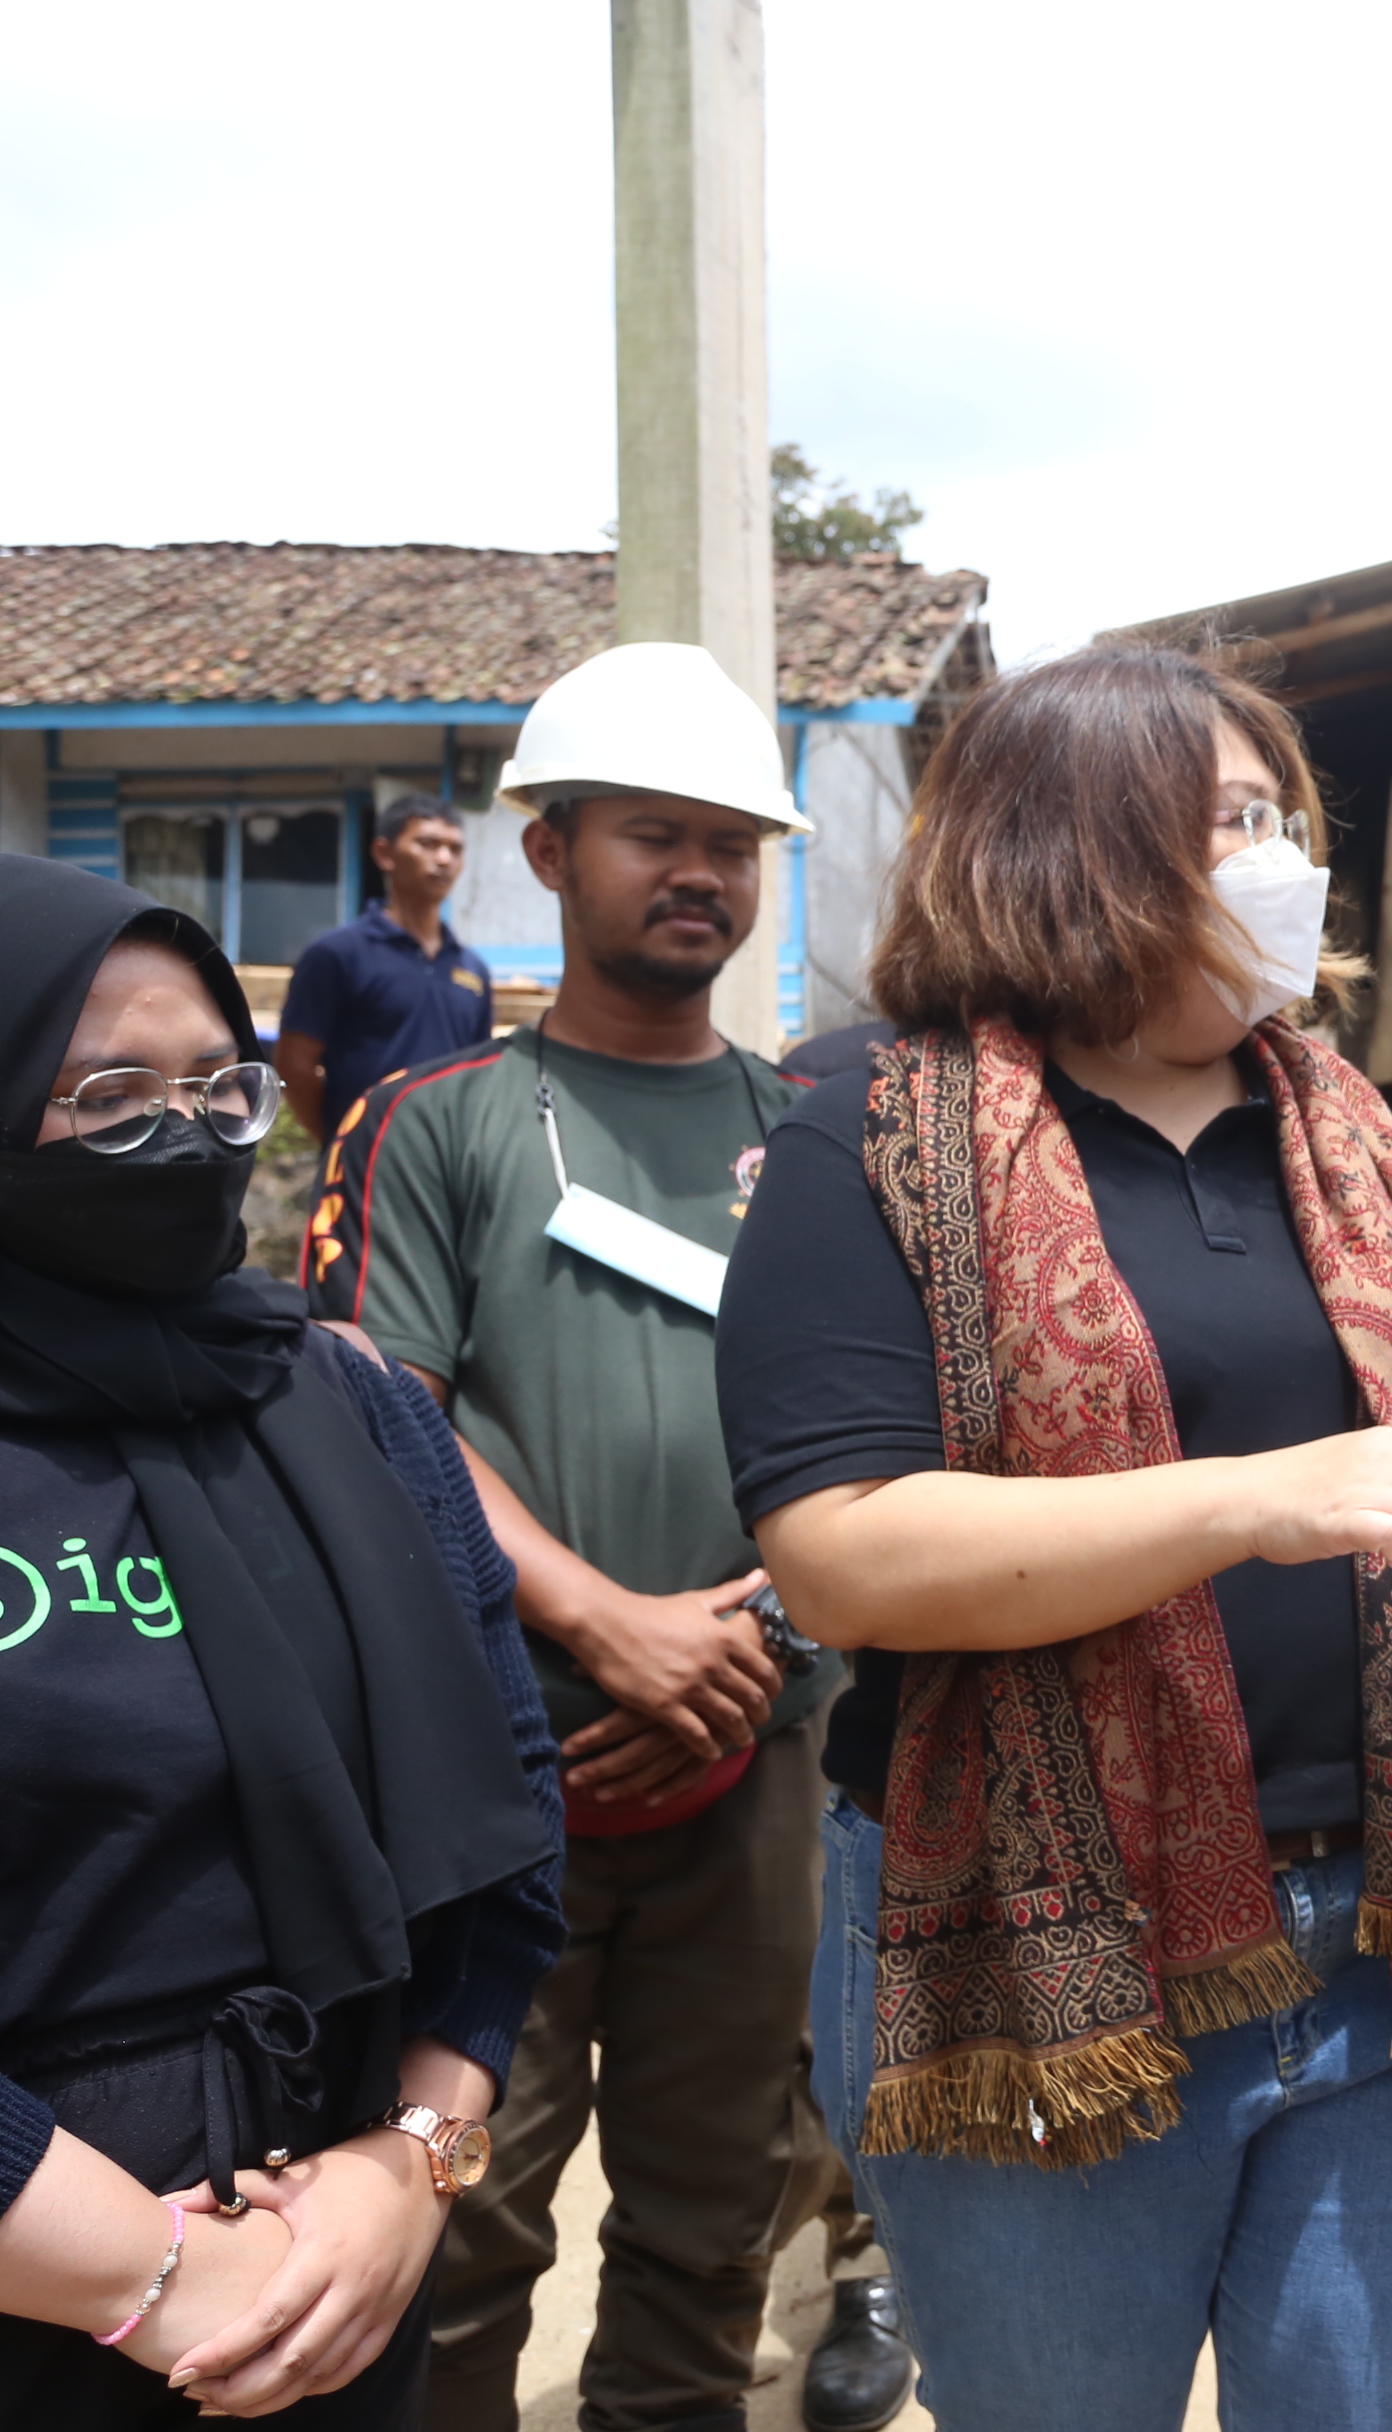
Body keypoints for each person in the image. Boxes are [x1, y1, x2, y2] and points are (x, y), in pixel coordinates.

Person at [717, 645, 1392, 2432]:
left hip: (1379, 1933)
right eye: (1229, 823)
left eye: (1281, 817)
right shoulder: (871, 1135)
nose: (1281, 864)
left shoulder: (1354, 1134)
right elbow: (843, 1551)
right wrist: (1247, 1502)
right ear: (1072, 849)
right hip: (1045, 1948)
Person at [294, 645, 907, 2432]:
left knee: (714, 2219)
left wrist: (757, 1643)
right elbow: (378, 1410)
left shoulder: (814, 1140)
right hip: (494, 1770)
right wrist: (604, 1619)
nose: (699, 872)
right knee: (457, 2224)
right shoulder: (441, 1122)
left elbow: (887, 1442)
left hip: (758, 1750)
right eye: (656, 834)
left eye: (733, 840)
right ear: (549, 853)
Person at [0, 853, 563, 2428]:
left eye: (214, 1092)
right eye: (106, 1095)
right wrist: (158, 2278)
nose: (178, 1141)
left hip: (341, 2266)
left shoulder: (347, 1406)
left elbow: (509, 1812)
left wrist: (411, 2165)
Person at [274, 797, 493, 1140]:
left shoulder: (473, 970)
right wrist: (342, 1143)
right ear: (384, 854)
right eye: (428, 844)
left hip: (449, 1169)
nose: (444, 860)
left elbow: (480, 1076)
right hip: (363, 1171)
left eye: (455, 849)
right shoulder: (337, 955)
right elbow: (295, 1066)